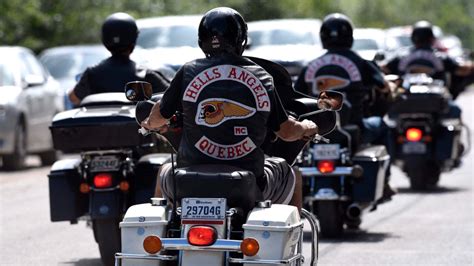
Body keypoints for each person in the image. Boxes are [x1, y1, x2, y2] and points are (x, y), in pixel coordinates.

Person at [141, 7, 318, 209]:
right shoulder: (261, 76)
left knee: (164, 169)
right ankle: (290, 239)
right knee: (292, 173)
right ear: (241, 39)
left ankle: (166, 232)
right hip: (250, 182)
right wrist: (306, 127)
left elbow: (158, 117)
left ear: (201, 41)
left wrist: (150, 123)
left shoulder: (188, 70)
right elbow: (286, 132)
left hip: (187, 181)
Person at [294, 13, 396, 200]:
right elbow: (383, 87)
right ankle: (386, 181)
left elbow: (295, 95)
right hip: (354, 126)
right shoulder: (361, 62)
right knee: (382, 127)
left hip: (317, 130)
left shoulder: (310, 66)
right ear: (350, 36)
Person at [68, 12, 169, 106]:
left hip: (99, 124)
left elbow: (74, 98)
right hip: (137, 125)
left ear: (104, 40)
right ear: (134, 38)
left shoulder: (92, 74)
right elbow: (171, 97)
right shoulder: (146, 75)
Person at [382, 20, 474, 119]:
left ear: (413, 38)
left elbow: (383, 69)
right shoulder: (441, 57)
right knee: (455, 111)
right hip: (435, 104)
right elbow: (462, 69)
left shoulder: (400, 57)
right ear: (432, 39)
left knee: (388, 119)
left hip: (404, 103)